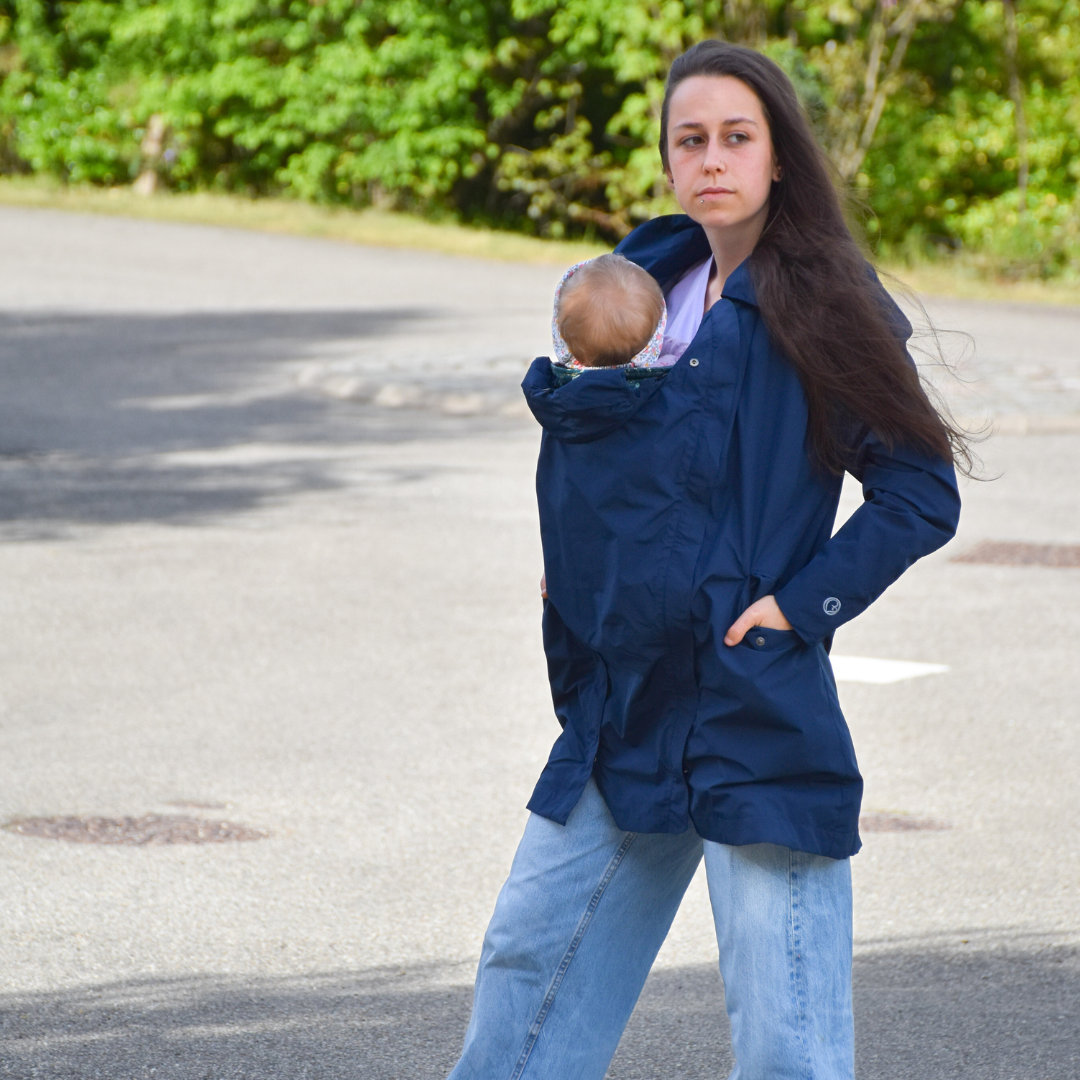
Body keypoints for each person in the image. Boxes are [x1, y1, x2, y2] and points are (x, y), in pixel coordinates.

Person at [447, 39, 966, 1080]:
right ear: (669, 158)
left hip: (750, 702)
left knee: (787, 1036)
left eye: (738, 136)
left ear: (778, 157)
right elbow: (589, 460)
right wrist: (580, 568)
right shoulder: (638, 286)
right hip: (626, 700)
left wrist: (799, 605)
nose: (713, 158)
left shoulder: (822, 299)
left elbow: (921, 490)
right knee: (525, 974)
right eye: (692, 140)